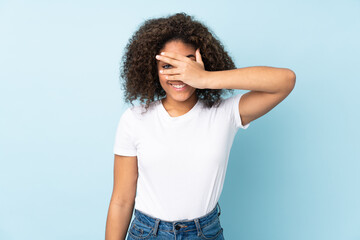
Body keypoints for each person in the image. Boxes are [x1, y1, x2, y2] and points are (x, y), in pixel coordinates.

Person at [105, 12, 296, 240]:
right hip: (147, 233)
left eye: (188, 63)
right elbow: (121, 200)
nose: (180, 74)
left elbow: (285, 81)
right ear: (153, 71)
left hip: (205, 233)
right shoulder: (134, 119)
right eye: (168, 65)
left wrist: (204, 78)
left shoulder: (225, 114)